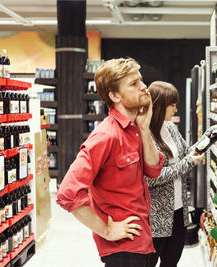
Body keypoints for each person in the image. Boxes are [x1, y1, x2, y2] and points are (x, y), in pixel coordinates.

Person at [56, 58, 164, 267]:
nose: (144, 87)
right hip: (123, 251)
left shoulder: (134, 129)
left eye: (141, 81)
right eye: (133, 84)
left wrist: (144, 128)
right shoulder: (106, 136)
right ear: (114, 96)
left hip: (143, 240)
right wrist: (106, 229)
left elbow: (153, 170)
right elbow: (67, 193)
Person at [146, 81, 217, 267]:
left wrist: (208, 137)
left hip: (179, 213)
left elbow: (187, 153)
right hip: (157, 217)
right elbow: (151, 177)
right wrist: (188, 162)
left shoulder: (171, 128)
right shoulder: (145, 135)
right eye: (171, 105)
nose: (175, 110)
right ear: (158, 105)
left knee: (172, 261)